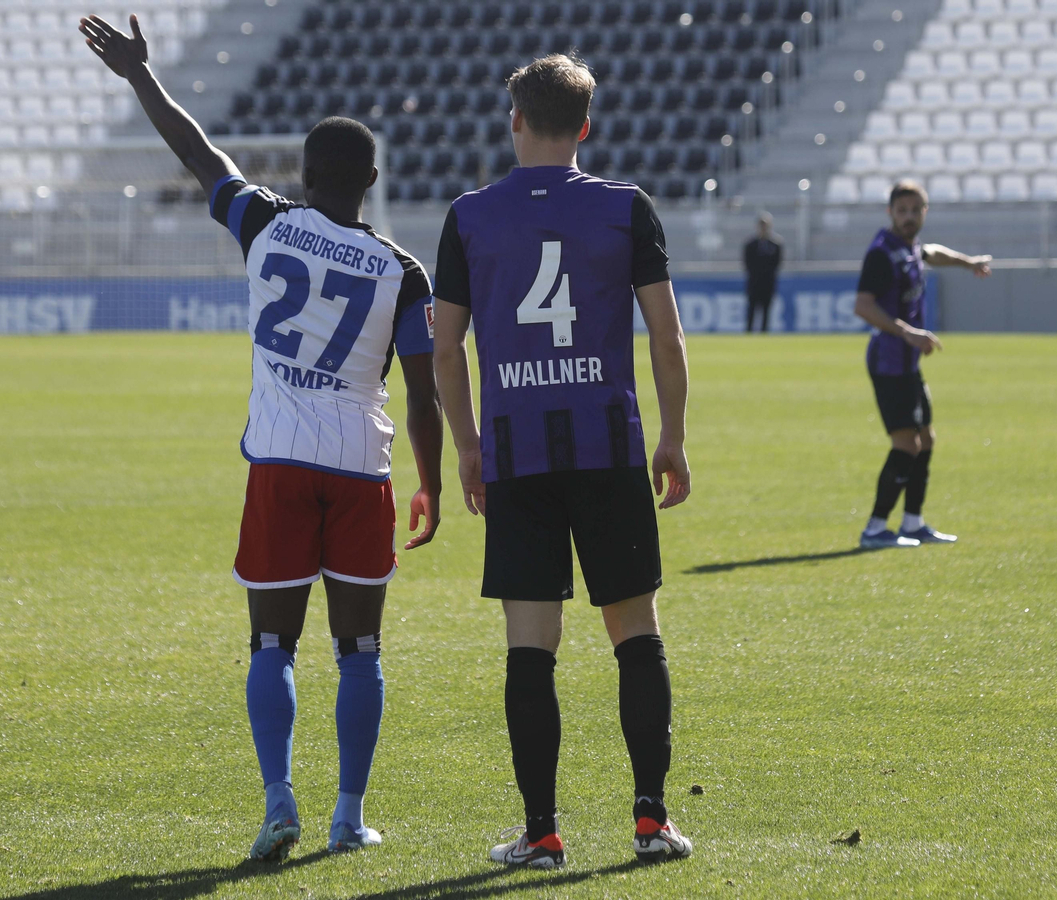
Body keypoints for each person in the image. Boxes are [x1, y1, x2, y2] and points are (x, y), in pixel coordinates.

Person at [80, 14, 445, 861]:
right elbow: (422, 392)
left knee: (271, 643)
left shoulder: (267, 225)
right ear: (373, 181)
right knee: (360, 649)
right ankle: (349, 817)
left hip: (279, 461)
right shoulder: (402, 271)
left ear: (304, 174)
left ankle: (279, 801)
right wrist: (428, 479)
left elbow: (200, 154)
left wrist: (141, 76)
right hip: (363, 464)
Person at [431, 54, 695, 870]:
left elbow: (446, 351)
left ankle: (542, 832)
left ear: (515, 121)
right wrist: (673, 437)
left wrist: (470, 447)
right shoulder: (626, 208)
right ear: (586, 126)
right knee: (634, 631)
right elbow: (666, 335)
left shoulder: (469, 215)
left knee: (530, 643)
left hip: (518, 453)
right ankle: (652, 822)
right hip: (608, 445)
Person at [853, 180, 990, 549]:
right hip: (889, 361)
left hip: (908, 363)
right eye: (902, 211)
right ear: (890, 213)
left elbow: (932, 253)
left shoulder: (909, 247)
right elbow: (863, 306)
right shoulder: (882, 253)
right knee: (907, 444)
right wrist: (909, 333)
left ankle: (913, 523)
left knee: (925, 439)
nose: (909, 217)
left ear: (924, 212)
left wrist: (969, 263)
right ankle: (875, 528)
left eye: (916, 210)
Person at [742, 213, 782, 333]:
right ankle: (748, 333)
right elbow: (747, 263)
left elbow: (777, 264)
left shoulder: (776, 244)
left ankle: (764, 333)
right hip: (754, 283)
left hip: (768, 283)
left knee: (766, 311)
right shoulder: (750, 244)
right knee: (751, 311)